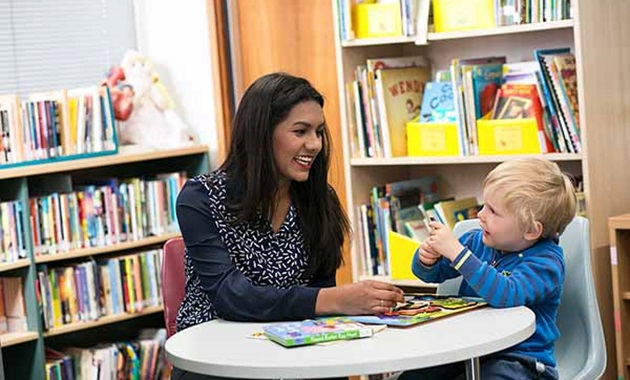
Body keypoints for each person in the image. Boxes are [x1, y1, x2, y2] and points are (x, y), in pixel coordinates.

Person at [173, 72, 404, 379]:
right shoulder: (200, 198)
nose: (315, 144)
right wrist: (336, 300)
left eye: (319, 132)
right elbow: (231, 296)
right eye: (300, 131)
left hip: (293, 355)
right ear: (261, 133)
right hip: (216, 361)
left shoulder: (319, 200)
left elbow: (320, 303)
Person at [401, 158, 577, 380]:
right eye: (484, 205)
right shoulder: (477, 241)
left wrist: (457, 253)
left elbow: (506, 293)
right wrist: (428, 259)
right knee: (414, 376)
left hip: (520, 360)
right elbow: (432, 275)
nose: (480, 215)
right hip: (468, 351)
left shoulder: (546, 263)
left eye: (493, 211)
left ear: (531, 230)